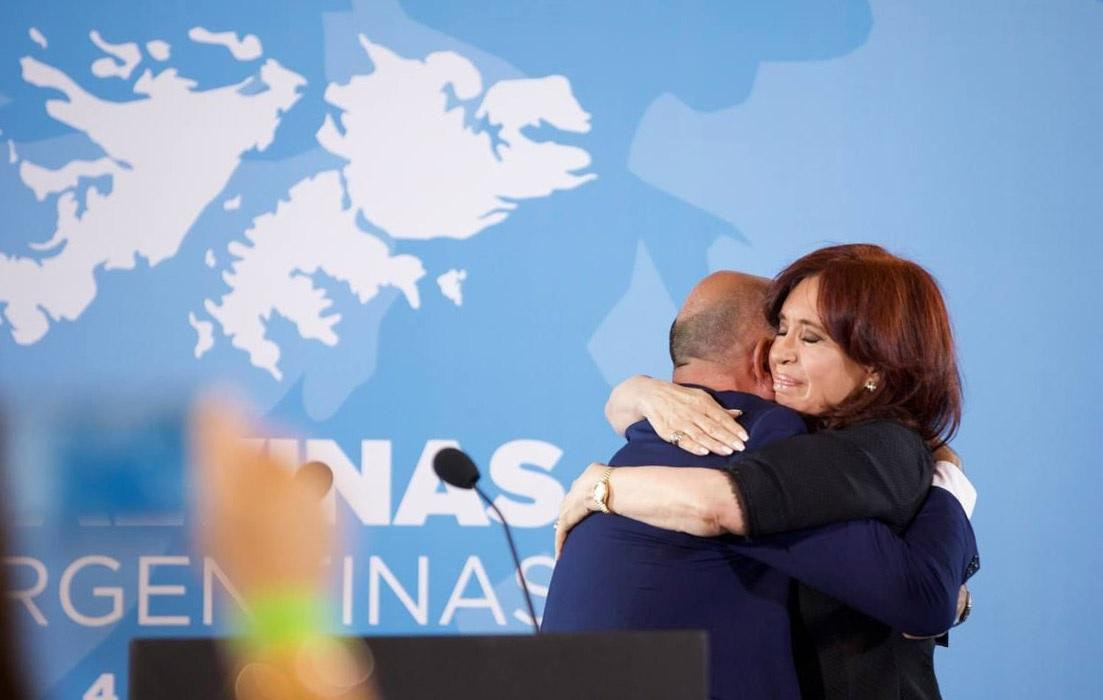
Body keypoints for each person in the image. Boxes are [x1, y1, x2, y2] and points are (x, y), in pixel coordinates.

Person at [554, 245, 977, 699]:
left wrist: (604, 486)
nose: (781, 353)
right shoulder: (751, 433)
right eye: (781, 330)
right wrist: (633, 394)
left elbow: (921, 598)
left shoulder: (869, 446)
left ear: (876, 362)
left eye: (810, 337)